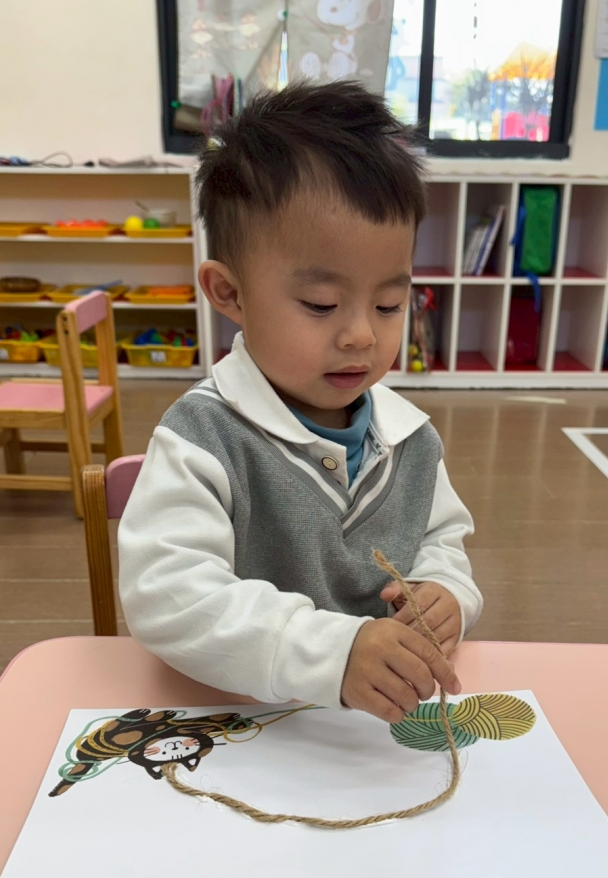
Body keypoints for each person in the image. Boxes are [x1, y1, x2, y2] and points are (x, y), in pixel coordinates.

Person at [119, 80, 483, 723]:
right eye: (321, 304)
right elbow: (169, 596)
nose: (361, 334)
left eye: (389, 304)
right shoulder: (203, 437)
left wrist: (447, 591)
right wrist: (329, 653)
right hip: (238, 721)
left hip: (370, 732)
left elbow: (442, 541)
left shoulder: (411, 440)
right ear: (229, 293)